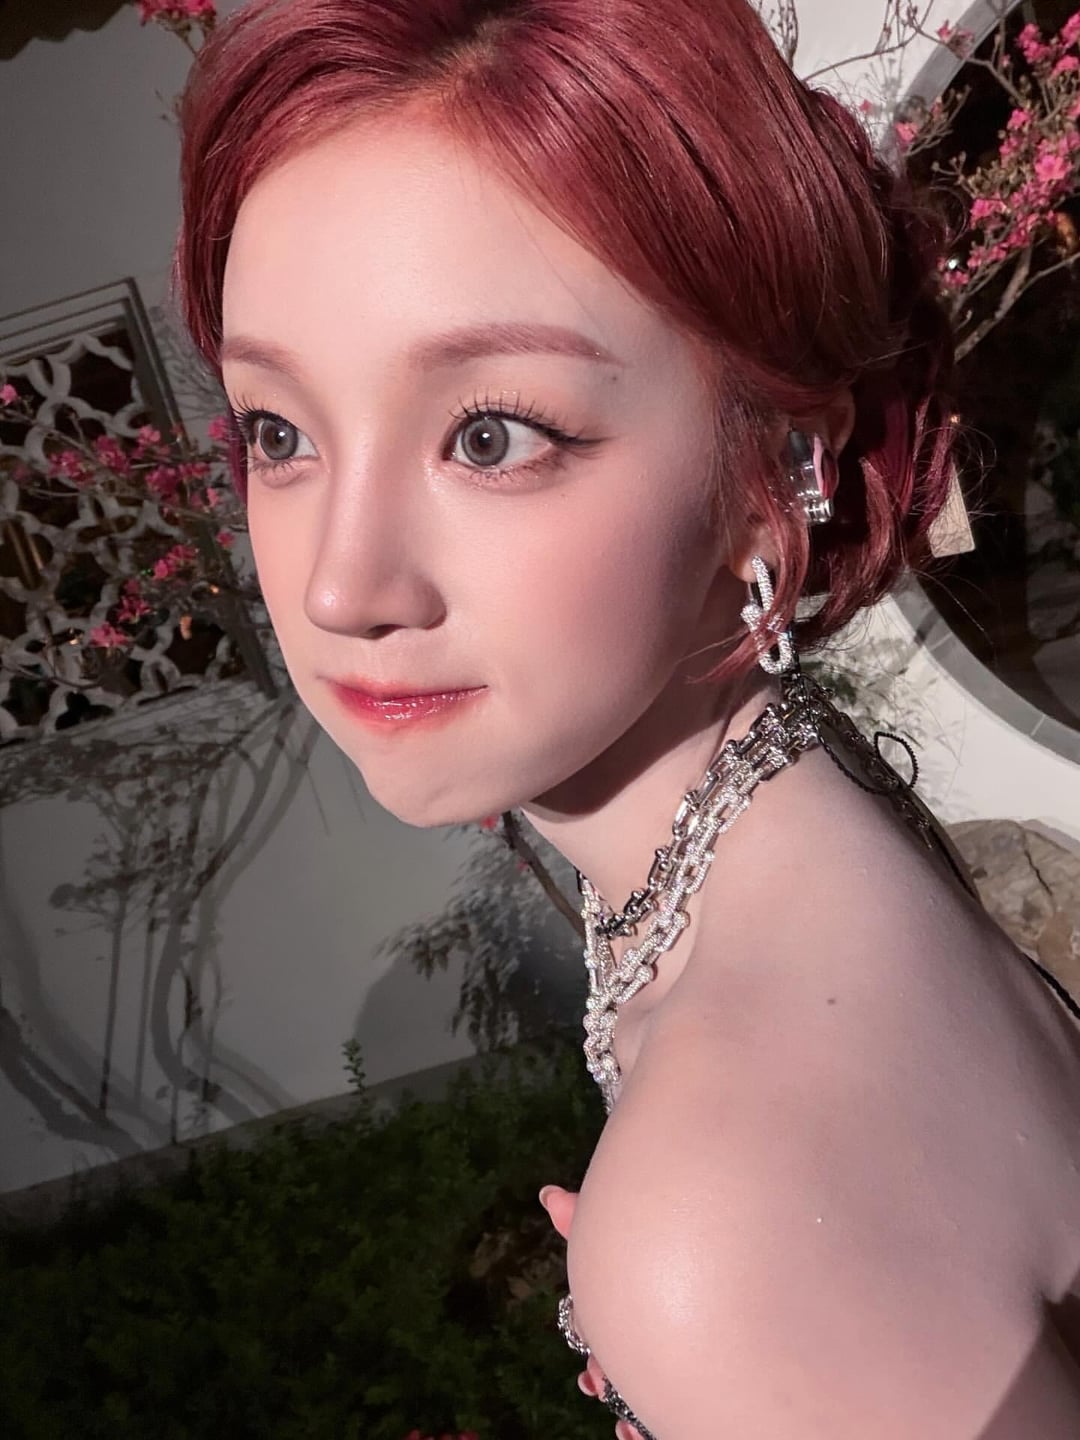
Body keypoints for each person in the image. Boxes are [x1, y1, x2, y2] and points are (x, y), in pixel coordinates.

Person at [172, 0, 1080, 1433]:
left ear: (774, 476)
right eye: (279, 433)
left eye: (490, 435)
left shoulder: (724, 1223)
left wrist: (707, 1276)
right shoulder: (801, 811)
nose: (340, 585)